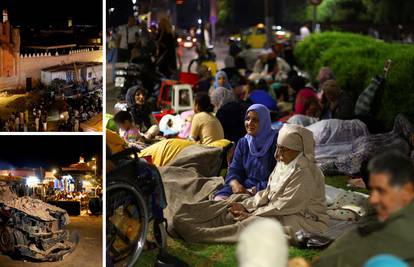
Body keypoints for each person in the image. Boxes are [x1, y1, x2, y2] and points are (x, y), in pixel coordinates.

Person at [169, 124, 328, 243]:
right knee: (233, 202)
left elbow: (284, 205)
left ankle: (200, 231)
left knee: (254, 224)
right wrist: (247, 204)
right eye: (277, 148)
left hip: (300, 218)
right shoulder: (284, 162)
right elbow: (268, 192)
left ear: (298, 150)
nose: (277, 155)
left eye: (283, 149)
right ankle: (191, 217)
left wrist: (251, 213)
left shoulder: (306, 172)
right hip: (271, 207)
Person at [314, 151, 414, 266]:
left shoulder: (391, 235)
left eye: (381, 191)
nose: (373, 199)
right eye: (372, 190)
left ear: (407, 191)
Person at [213, 104, 277, 200]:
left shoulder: (275, 143)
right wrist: (235, 183)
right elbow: (235, 168)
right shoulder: (244, 142)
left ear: (264, 122)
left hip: (266, 189)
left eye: (255, 120)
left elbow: (277, 176)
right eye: (247, 119)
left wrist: (253, 190)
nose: (249, 123)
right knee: (219, 199)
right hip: (243, 186)